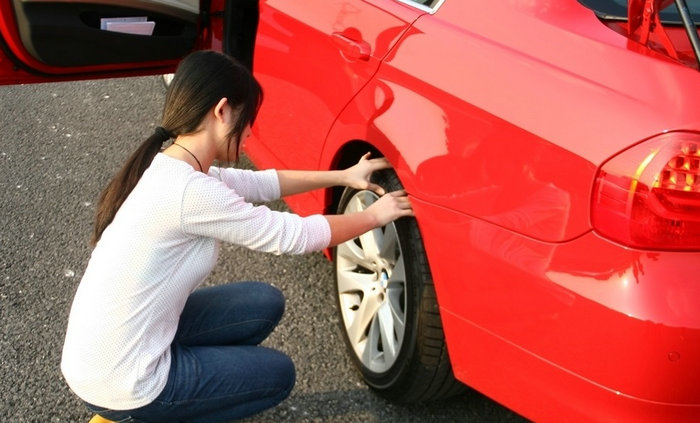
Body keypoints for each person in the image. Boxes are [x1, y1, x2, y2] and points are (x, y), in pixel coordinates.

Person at [60, 50, 413, 423]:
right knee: (278, 374)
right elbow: (291, 235)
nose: (249, 132)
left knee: (263, 302)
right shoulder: (189, 191)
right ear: (223, 110)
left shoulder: (174, 166)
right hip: (121, 381)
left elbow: (263, 182)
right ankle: (144, 416)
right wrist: (374, 216)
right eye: (248, 120)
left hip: (106, 352)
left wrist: (343, 176)